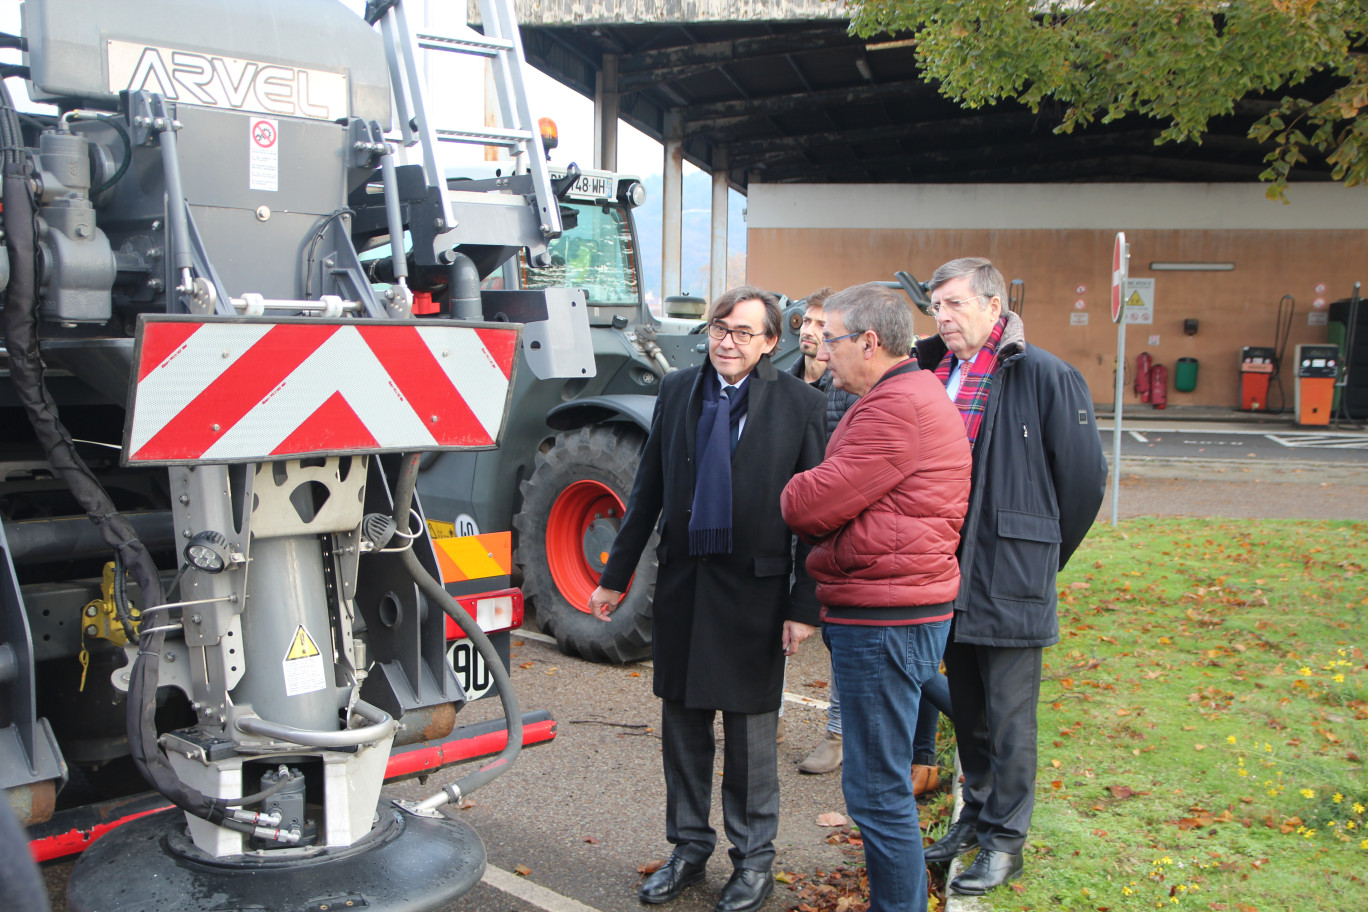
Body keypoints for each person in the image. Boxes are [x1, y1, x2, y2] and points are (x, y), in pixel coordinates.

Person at [588, 285, 826, 912]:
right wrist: (614, 576)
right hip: (686, 590)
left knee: (750, 741)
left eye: (744, 332)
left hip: (757, 594)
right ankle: (688, 849)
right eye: (721, 328)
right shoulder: (677, 390)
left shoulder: (800, 404)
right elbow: (649, 492)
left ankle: (753, 862)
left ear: (772, 343)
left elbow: (817, 520)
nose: (727, 340)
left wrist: (805, 609)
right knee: (684, 732)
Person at [916, 258, 1107, 895]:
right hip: (942, 570)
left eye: (954, 304)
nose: (941, 316)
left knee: (1008, 718)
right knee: (967, 710)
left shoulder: (1045, 375)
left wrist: (1036, 558)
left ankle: (1006, 844)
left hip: (1009, 574)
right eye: (935, 305)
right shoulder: (932, 369)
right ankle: (974, 818)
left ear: (994, 306)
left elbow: (1082, 485)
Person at [780, 283, 972, 912]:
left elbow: (810, 503)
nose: (822, 351)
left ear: (868, 341)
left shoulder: (894, 409)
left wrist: (797, 489)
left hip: (885, 616)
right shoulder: (907, 396)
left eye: (831, 339)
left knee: (874, 792)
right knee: (881, 783)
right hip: (897, 606)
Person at [788, 288, 858, 774]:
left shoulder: (849, 388)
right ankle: (762, 712)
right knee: (775, 619)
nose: (810, 331)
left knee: (836, 635)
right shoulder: (786, 382)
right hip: (788, 522)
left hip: (835, 528)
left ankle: (836, 736)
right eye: (806, 322)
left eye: (820, 323)